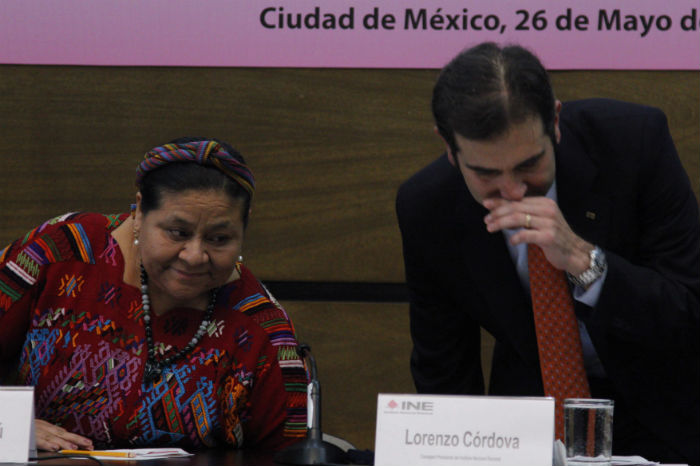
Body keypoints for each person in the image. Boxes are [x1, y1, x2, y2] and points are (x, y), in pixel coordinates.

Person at [396, 42, 699, 465]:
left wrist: (585, 262)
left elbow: (689, 313)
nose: (513, 190)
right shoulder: (428, 206)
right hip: (529, 424)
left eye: (529, 164)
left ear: (555, 122)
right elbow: (444, 370)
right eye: (486, 174)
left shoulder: (633, 143)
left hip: (667, 409)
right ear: (449, 148)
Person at [0, 137, 308, 451]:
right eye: (177, 233)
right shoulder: (60, 253)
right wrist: (9, 424)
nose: (194, 256)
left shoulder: (264, 333)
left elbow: (293, 453)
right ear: (139, 213)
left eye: (219, 238)